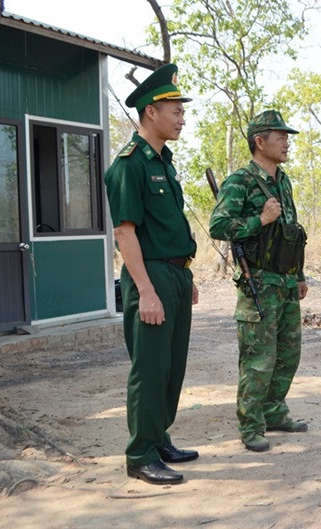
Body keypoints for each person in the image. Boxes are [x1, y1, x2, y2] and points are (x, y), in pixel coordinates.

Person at [104, 63, 199, 485]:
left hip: (174, 274)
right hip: (151, 277)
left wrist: (186, 275)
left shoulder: (165, 162)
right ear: (150, 112)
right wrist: (145, 290)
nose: (182, 118)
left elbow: (169, 226)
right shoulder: (130, 164)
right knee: (150, 367)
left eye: (182, 111)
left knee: (172, 366)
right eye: (175, 111)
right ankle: (140, 454)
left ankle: (159, 438)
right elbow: (125, 233)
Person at [209, 110, 308, 453]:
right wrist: (259, 220)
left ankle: (275, 413)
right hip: (259, 283)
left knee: (288, 354)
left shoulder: (284, 181)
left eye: (287, 138)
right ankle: (251, 425)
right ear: (260, 142)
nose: (286, 143)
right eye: (280, 138)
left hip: (285, 282)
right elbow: (219, 225)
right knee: (258, 359)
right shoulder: (241, 181)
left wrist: (298, 274)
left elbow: (290, 232)